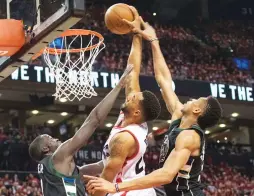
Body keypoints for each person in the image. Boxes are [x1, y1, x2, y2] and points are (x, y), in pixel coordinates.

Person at [84, 18, 222, 196]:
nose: (193, 98)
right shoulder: (178, 117)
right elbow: (163, 79)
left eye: (198, 100)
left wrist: (116, 187)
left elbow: (166, 175)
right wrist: (153, 40)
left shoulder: (190, 137)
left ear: (197, 111)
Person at [80, 6, 161, 196]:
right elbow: (132, 70)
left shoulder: (123, 139)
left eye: (135, 98)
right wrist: (136, 33)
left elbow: (104, 183)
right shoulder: (134, 122)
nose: (131, 94)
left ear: (137, 112)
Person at [28, 64, 133, 196]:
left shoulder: (53, 169)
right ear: (45, 149)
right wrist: (118, 86)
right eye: (50, 138)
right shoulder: (59, 156)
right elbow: (93, 120)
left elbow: (86, 170)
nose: (56, 139)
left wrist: (119, 156)